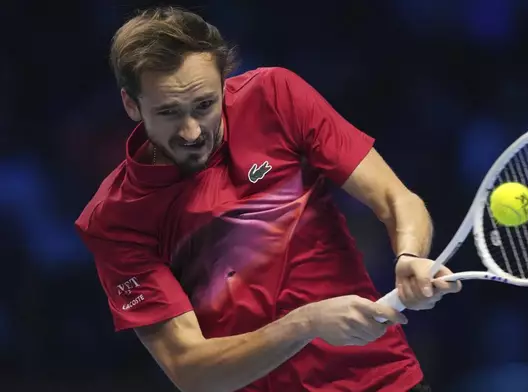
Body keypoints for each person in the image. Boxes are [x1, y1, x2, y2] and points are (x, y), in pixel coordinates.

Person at [75, 6, 462, 392]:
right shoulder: (115, 219)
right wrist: (306, 323)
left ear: (224, 82)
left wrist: (409, 255)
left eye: (204, 105)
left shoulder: (275, 97)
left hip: (384, 382)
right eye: (168, 112)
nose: (191, 131)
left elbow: (396, 199)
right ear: (131, 104)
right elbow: (192, 371)